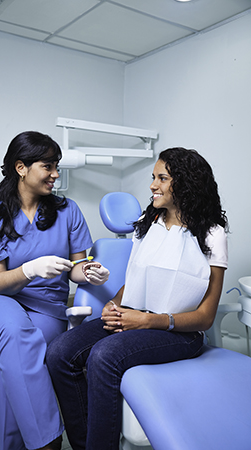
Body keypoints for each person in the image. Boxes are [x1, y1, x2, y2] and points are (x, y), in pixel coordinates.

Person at [46, 147, 228, 450]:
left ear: (186, 182)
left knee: (103, 355)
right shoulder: (148, 221)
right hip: (135, 315)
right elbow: (137, 279)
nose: (152, 185)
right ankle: (86, 443)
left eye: (162, 178)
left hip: (179, 332)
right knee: (59, 352)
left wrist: (148, 321)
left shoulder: (211, 233)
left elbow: (206, 316)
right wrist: (114, 305)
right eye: (153, 177)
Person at [0, 131, 109, 450]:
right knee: (17, 335)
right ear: (21, 168)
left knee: (6, 370)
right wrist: (30, 269)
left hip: (45, 307)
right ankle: (48, 442)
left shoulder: (67, 211)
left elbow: (77, 266)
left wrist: (90, 272)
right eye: (48, 166)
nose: (56, 174)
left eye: (56, 165)